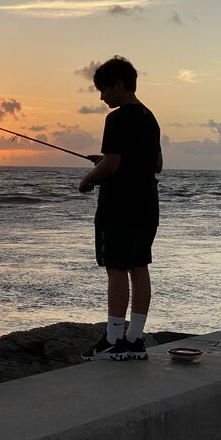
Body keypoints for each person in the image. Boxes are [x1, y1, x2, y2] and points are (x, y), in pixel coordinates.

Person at [79, 55, 162, 361]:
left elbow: (112, 164)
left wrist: (88, 178)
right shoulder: (150, 118)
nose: (101, 97)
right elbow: (157, 164)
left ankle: (113, 339)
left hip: (119, 207)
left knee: (116, 270)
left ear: (118, 84)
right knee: (139, 268)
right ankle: (135, 338)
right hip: (147, 205)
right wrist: (105, 162)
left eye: (103, 89)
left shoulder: (116, 119)